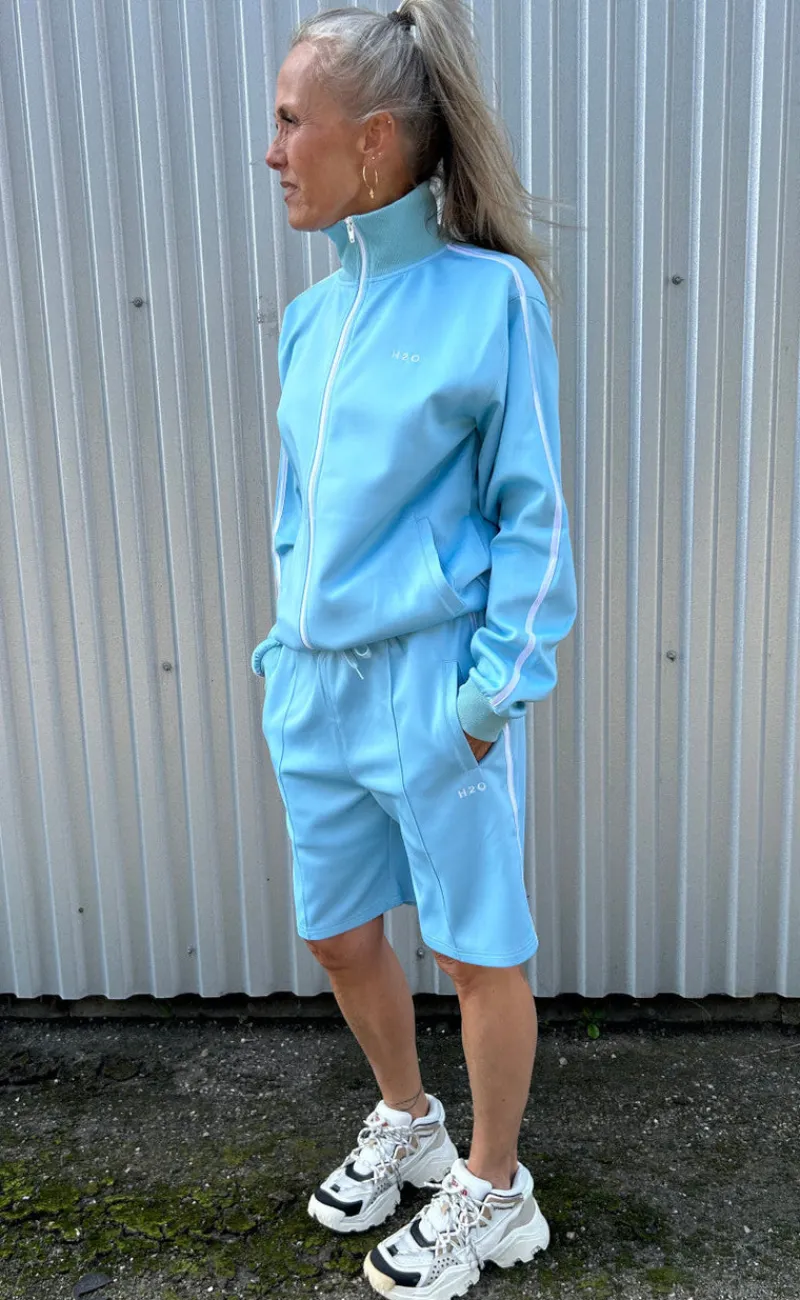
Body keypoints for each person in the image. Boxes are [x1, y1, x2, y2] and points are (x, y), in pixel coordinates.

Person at [253, 2, 577, 1296]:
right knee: (339, 933)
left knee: (476, 947)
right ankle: (410, 1118)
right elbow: (296, 516)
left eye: (292, 121)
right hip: (315, 688)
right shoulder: (309, 321)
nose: (274, 150)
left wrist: (490, 698)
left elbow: (533, 513)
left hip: (434, 688)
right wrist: (280, 651)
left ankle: (494, 1188)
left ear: (374, 139)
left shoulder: (490, 300)